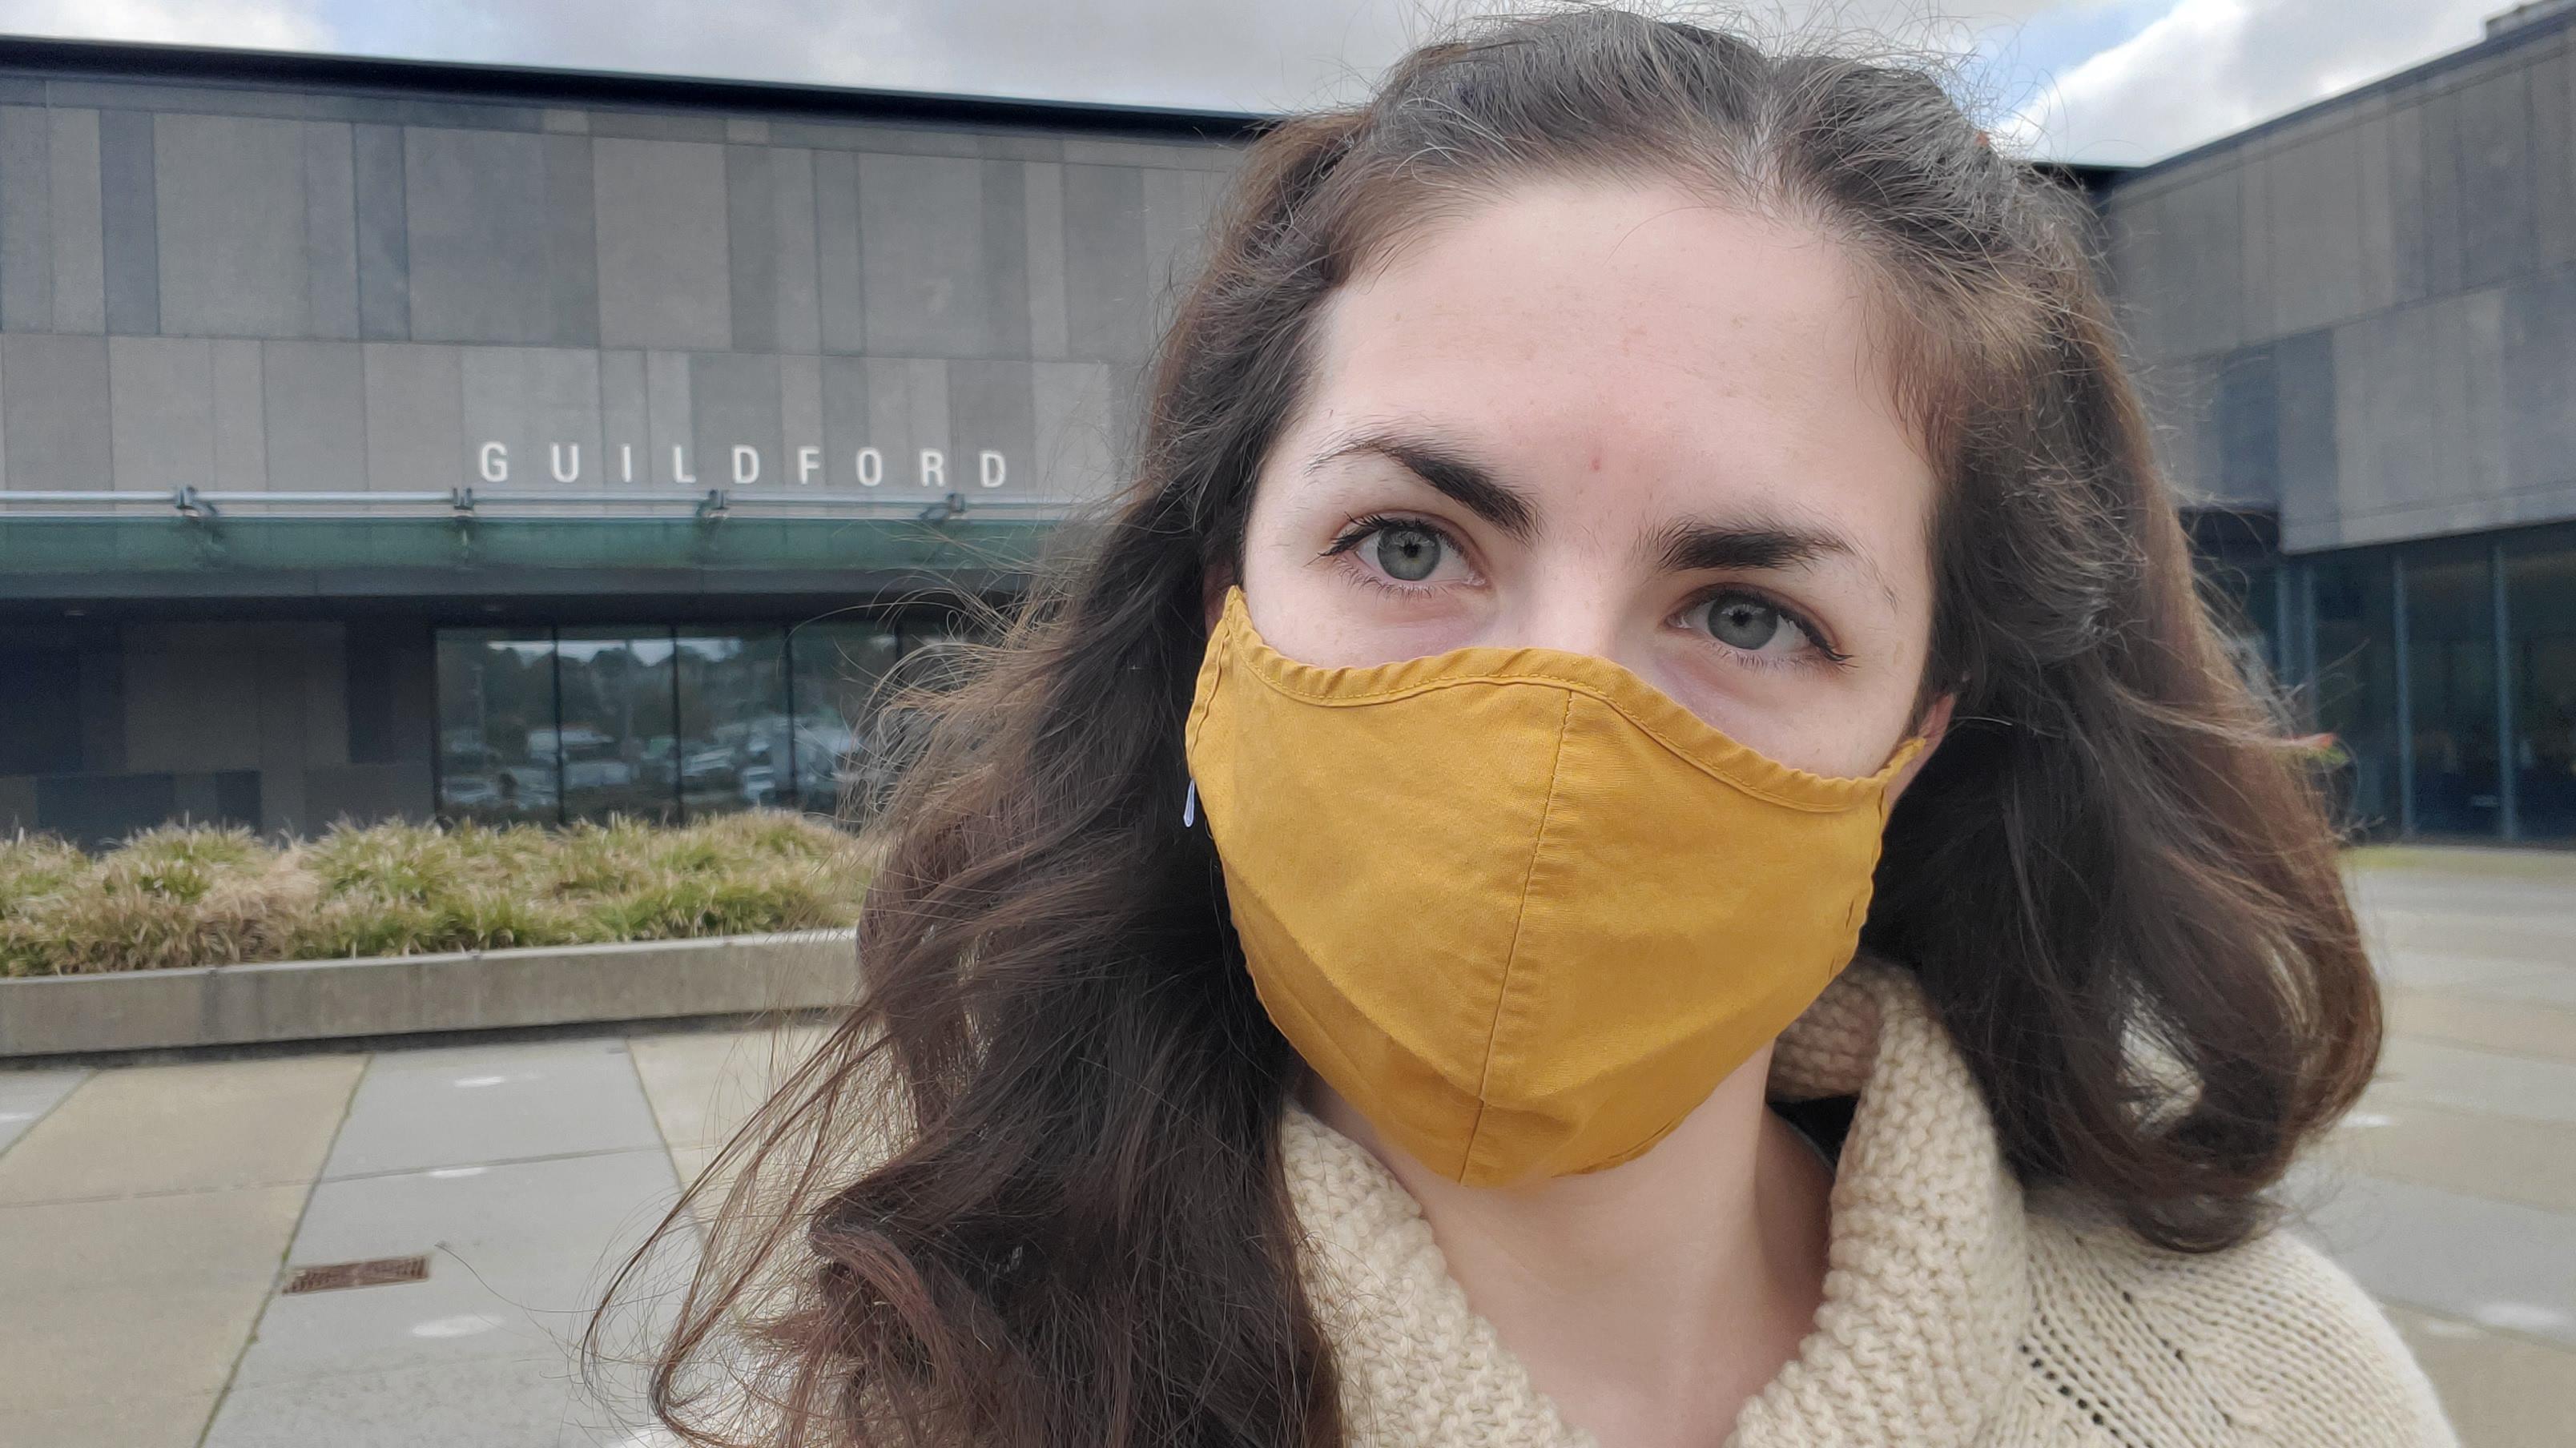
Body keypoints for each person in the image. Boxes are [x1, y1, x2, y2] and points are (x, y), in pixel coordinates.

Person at [591, 10, 2457, 1446]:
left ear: (1921, 737)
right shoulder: (897, 1408)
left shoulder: (2278, 1398)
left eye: (1749, 612)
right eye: (1411, 543)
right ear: (1214, 614)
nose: (1557, 725)